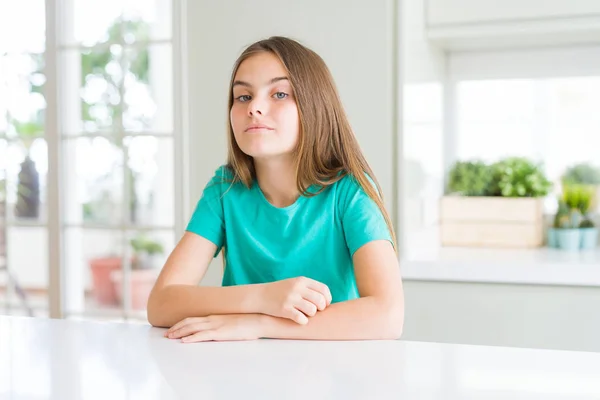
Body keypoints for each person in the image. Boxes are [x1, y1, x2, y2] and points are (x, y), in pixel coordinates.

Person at [147, 36, 404, 342]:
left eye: (279, 94)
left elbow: (388, 316)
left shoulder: (350, 191)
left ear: (315, 107)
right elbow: (160, 304)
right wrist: (263, 297)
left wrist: (260, 324)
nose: (254, 107)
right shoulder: (224, 190)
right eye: (242, 97)